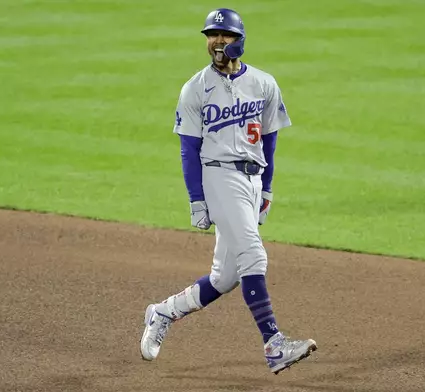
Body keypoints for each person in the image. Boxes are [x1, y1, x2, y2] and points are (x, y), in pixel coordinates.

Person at [140, 7, 317, 375]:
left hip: (252, 181)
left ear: (240, 40)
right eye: (211, 35)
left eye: (224, 35)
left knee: (225, 277)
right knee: (255, 255)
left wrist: (266, 190)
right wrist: (197, 199)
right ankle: (274, 344)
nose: (217, 41)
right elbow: (188, 149)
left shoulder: (264, 84)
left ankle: (163, 312)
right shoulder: (195, 89)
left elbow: (270, 141)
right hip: (218, 177)